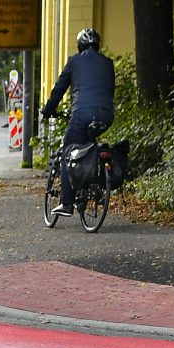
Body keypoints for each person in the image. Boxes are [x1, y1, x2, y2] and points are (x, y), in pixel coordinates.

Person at [41, 28, 115, 216]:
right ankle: (94, 186)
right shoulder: (108, 63)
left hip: (82, 114)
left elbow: (59, 89)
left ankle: (66, 202)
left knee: (69, 151)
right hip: (106, 115)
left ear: (79, 45)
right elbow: (108, 90)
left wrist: (48, 110)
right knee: (90, 145)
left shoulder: (74, 62)